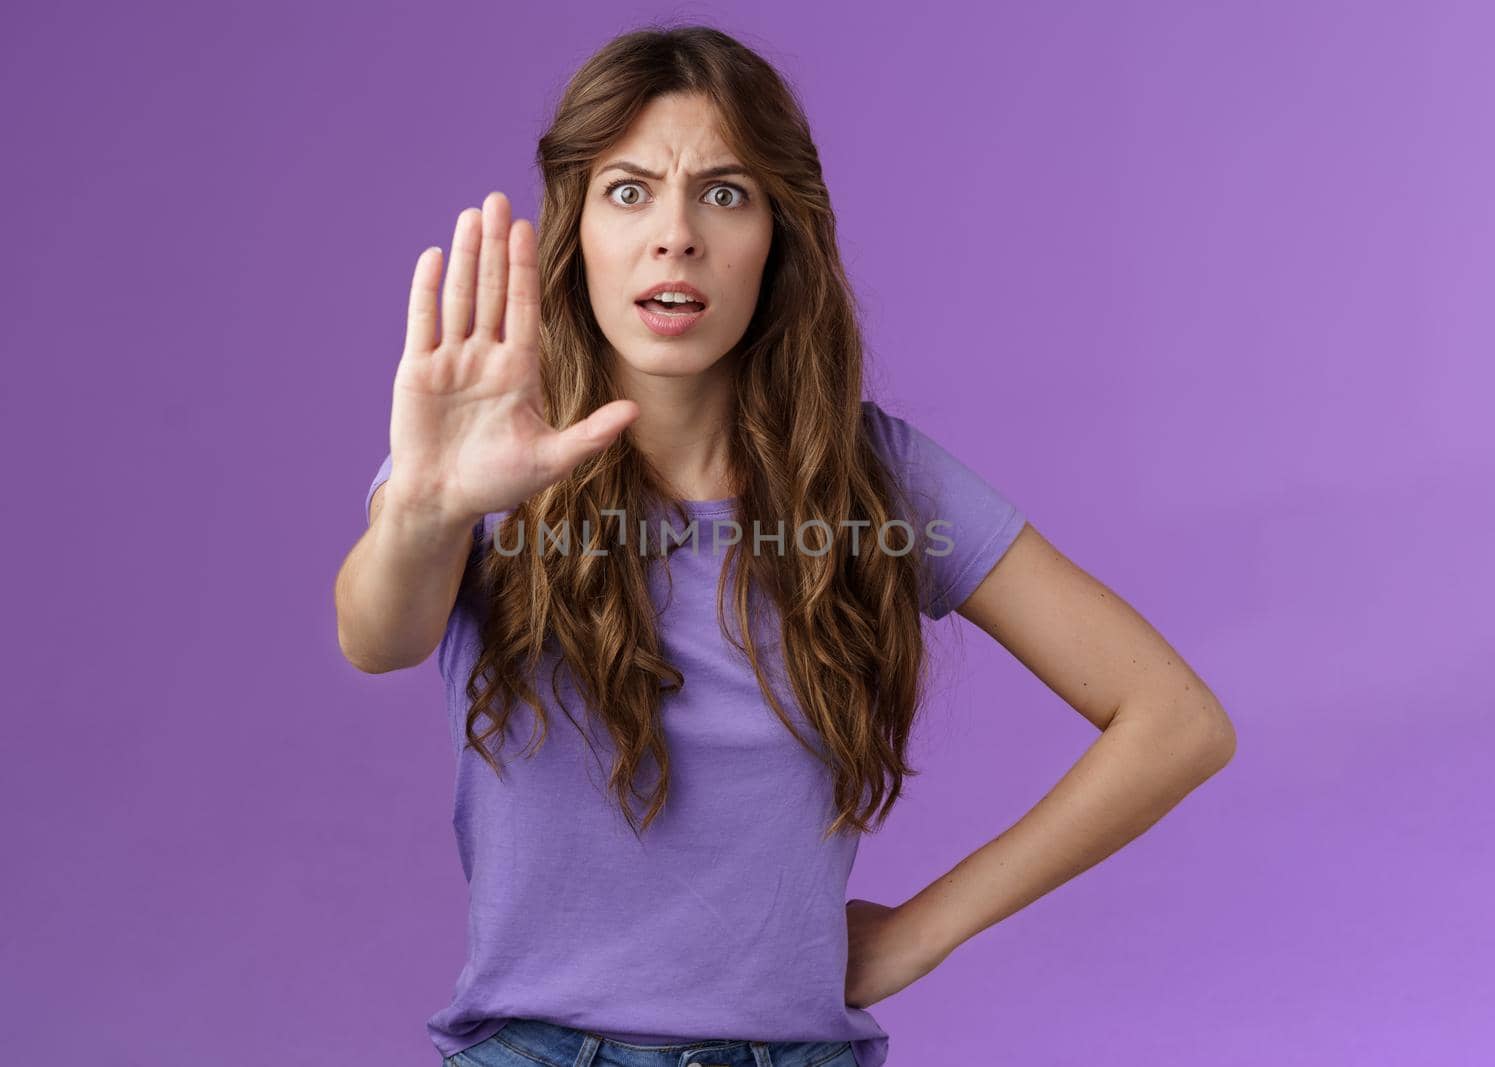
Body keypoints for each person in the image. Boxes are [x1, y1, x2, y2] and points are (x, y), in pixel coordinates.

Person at [334, 25, 1236, 1067]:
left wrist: (921, 929)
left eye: (724, 193)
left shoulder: (877, 480)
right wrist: (427, 507)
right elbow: (376, 635)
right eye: (628, 191)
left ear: (779, 232)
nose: (675, 236)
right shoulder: (485, 452)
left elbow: (1176, 720)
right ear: (575, 228)